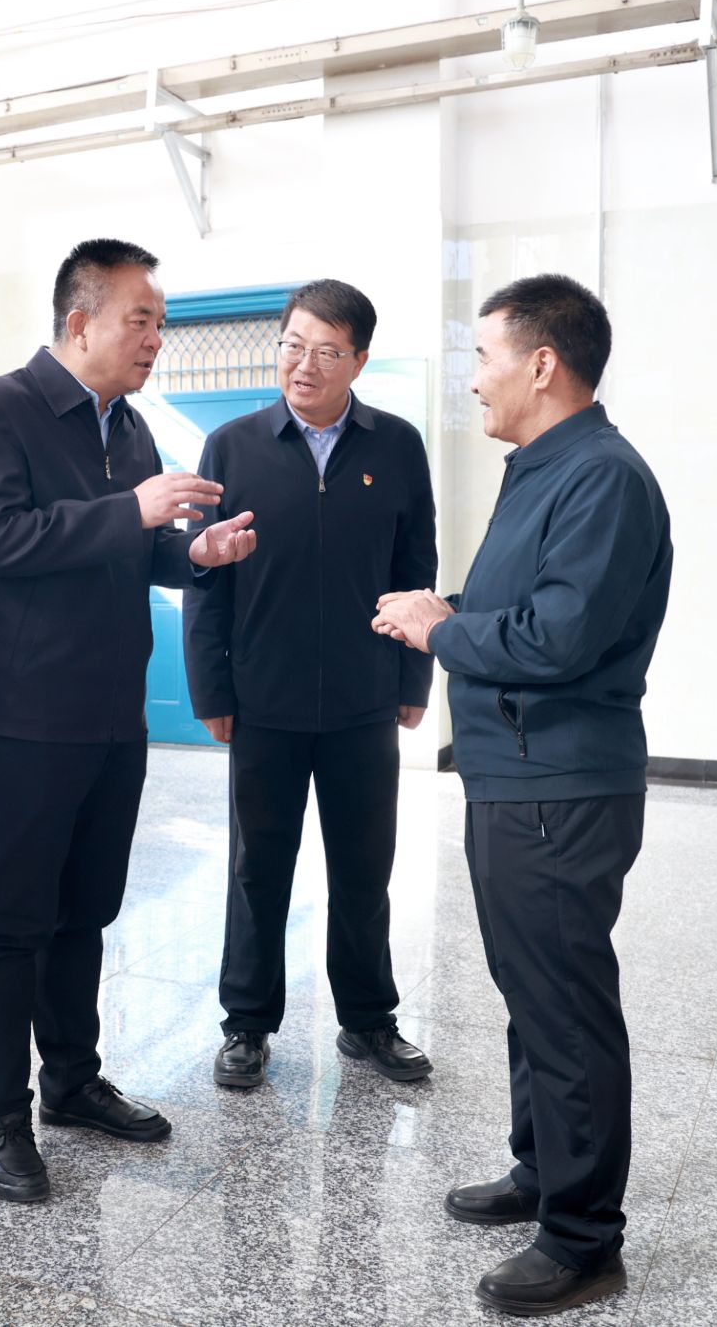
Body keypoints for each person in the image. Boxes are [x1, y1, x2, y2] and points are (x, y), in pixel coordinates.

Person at [371, 273, 671, 1318]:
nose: (473, 379)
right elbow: (527, 604)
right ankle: (541, 1171)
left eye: (484, 357)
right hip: (517, 774)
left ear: (541, 364)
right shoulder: (545, 468)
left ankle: (584, 1239)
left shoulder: (601, 477)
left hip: (558, 784)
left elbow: (558, 637)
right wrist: (449, 607)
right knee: (530, 991)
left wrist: (441, 630)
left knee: (565, 1006)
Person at [0, 237, 258, 1203]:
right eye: (141, 321)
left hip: (111, 715)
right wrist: (134, 512)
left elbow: (133, 546)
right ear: (80, 323)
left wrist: (193, 553)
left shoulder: (127, 427)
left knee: (87, 909)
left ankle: (71, 1081)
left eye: (160, 323)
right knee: (16, 920)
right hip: (24, 715)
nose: (155, 339)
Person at [181, 278, 438, 1090]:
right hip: (264, 700)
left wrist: (413, 676)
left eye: (327, 351)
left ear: (359, 360)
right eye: (293, 345)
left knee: (365, 869)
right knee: (258, 869)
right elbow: (206, 579)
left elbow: (416, 569)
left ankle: (368, 1020)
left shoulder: (396, 446)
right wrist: (211, 690)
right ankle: (246, 1025)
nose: (305, 365)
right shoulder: (232, 447)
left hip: (365, 699)